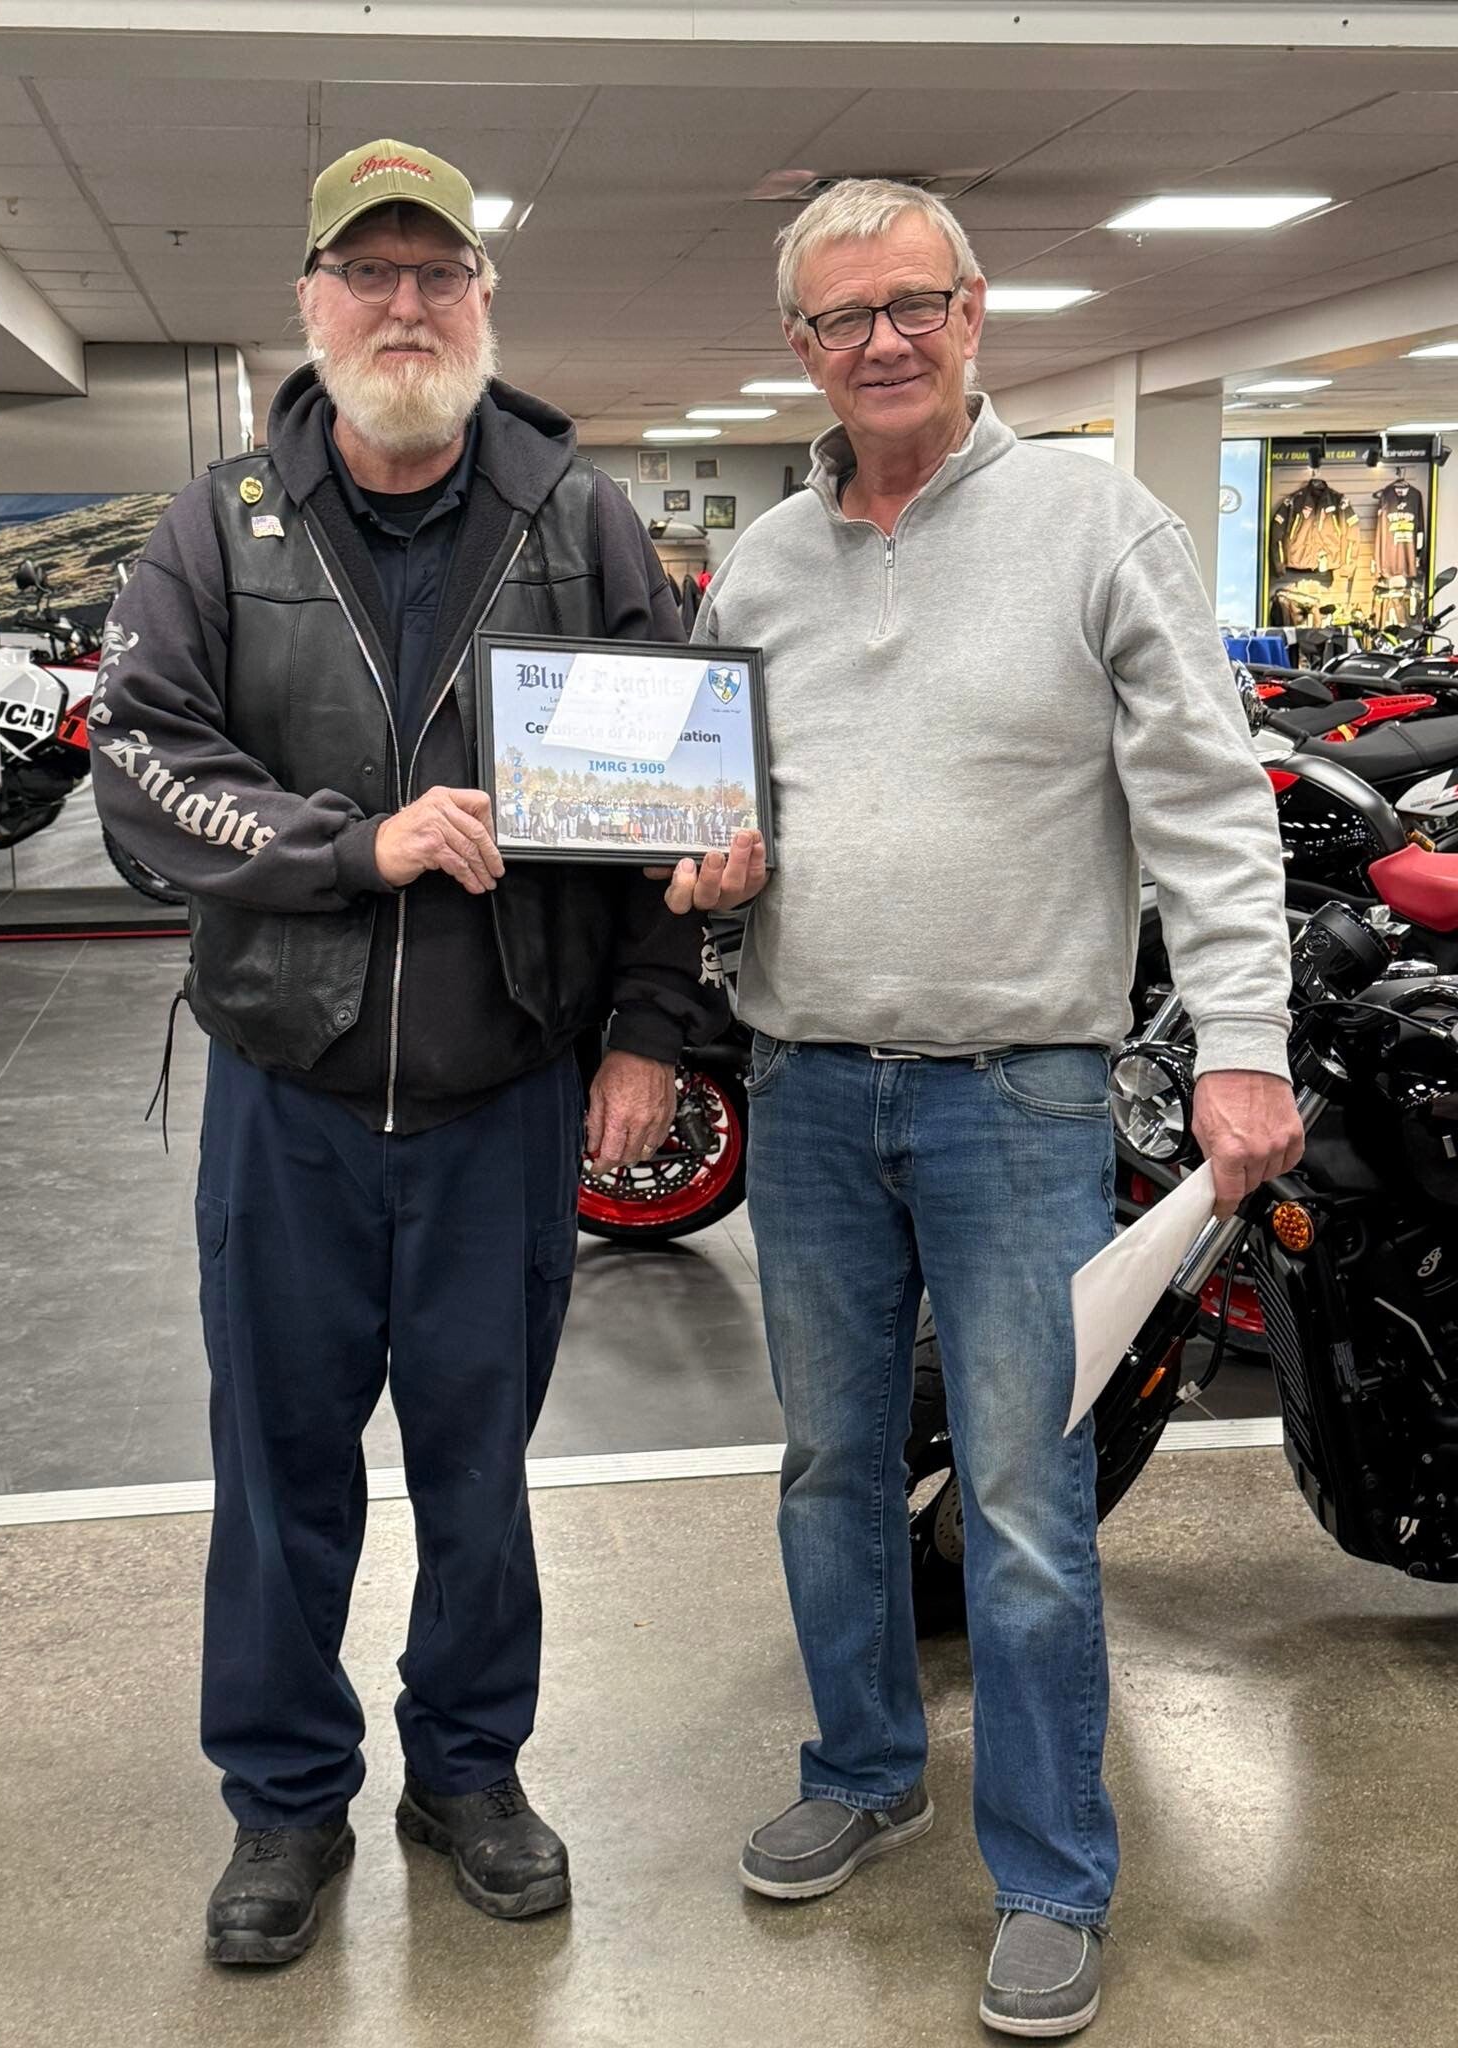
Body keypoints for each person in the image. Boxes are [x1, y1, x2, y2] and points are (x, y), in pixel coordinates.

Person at [665, 178, 1301, 2040]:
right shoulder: (760, 566)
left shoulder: (1099, 523)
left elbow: (1209, 803)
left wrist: (1247, 1041)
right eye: (840, 316)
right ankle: (864, 1773)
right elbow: (718, 819)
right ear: (800, 345)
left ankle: (1049, 1870)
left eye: (911, 304)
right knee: (833, 1468)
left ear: (973, 311)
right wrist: (709, 887)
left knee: (1023, 1499)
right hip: (802, 1085)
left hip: (1017, 1098)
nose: (880, 341)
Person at [89, 138, 717, 1967]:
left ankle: (469, 1771)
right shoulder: (217, 526)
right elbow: (145, 770)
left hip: (503, 1090)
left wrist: (650, 1028)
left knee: (480, 1469)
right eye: (367, 273)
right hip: (287, 1093)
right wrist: (354, 846)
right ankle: (286, 1801)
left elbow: (666, 812)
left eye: (438, 273)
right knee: (278, 1472)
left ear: (483, 300)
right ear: (311, 301)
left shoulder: (578, 520)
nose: (405, 305)